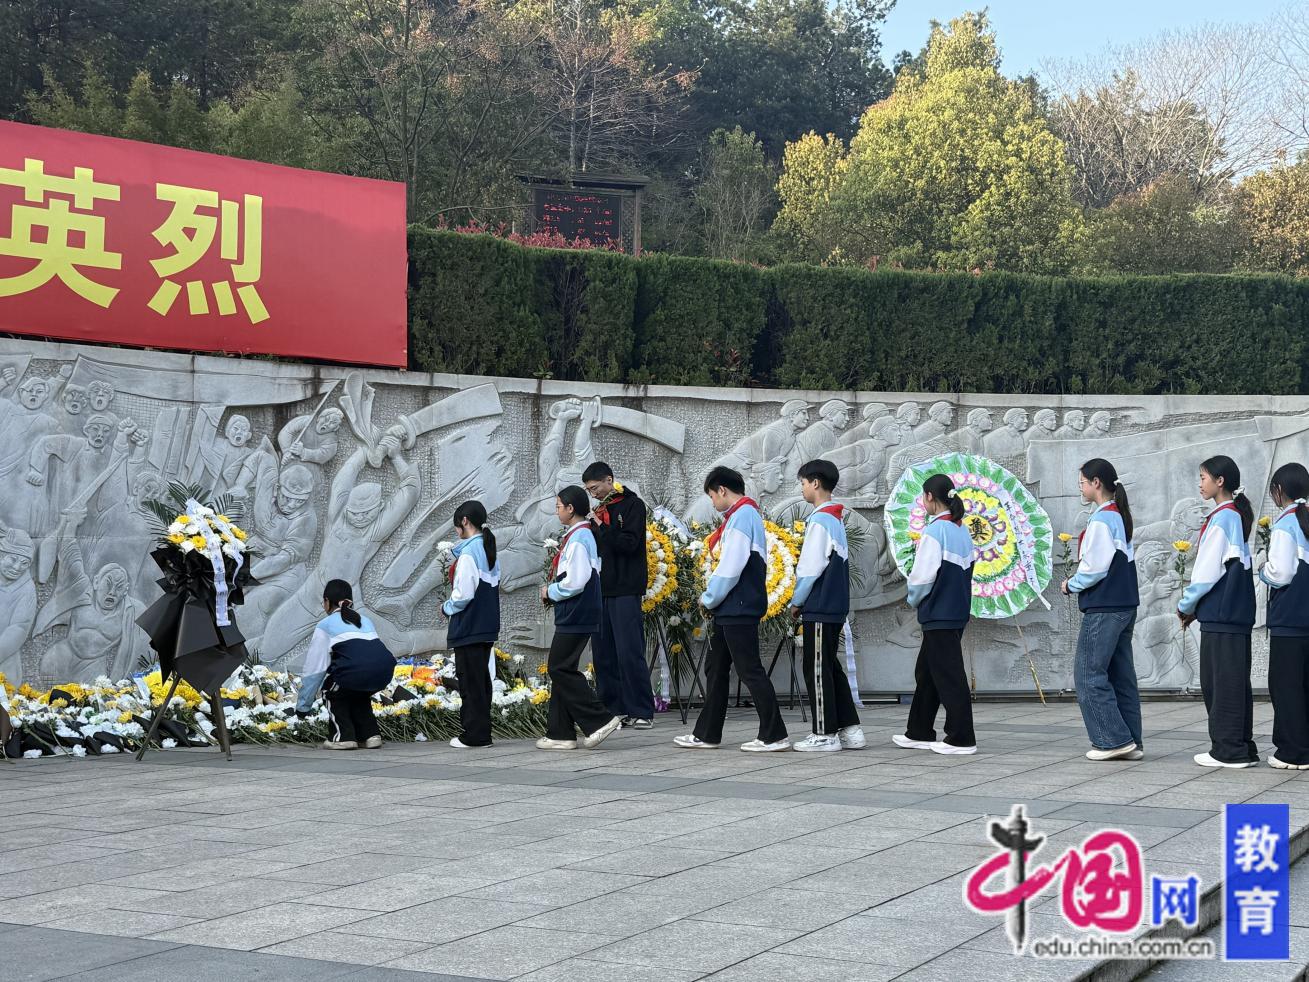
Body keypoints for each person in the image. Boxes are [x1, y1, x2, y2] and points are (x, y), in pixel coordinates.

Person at [675, 466, 790, 752]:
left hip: (738, 605)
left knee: (749, 670)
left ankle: (774, 734)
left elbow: (732, 565)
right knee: (715, 669)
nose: (713, 502)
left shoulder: (742, 516)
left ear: (722, 490)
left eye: (712, 496)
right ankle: (707, 733)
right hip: (730, 607)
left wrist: (709, 597)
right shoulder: (741, 515)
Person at [1060, 459, 1143, 761]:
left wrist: (1070, 584)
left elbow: (1094, 569)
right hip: (1124, 605)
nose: (1080, 488)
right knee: (1121, 676)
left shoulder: (1100, 520)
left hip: (1104, 607)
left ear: (1096, 483)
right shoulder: (1118, 515)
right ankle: (1131, 741)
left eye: (1082, 482)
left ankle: (1112, 740)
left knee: (1088, 673)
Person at [1178, 455, 1258, 768]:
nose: (1200, 484)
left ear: (1220, 481)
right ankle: (1241, 747)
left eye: (1203, 477)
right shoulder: (1233, 515)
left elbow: (1206, 572)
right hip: (1233, 614)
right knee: (1235, 682)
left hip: (1221, 616)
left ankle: (1228, 751)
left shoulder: (1223, 517)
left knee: (1221, 684)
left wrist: (1186, 605)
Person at [895, 474, 977, 755]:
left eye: (923, 496)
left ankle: (961, 738)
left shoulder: (935, 531)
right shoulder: (961, 530)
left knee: (948, 675)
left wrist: (913, 600)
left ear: (930, 496)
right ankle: (919, 731)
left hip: (938, 612)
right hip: (955, 611)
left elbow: (922, 578)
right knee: (928, 672)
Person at [538, 486, 624, 751]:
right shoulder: (579, 534)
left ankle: (600, 720)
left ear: (570, 508)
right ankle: (560, 732)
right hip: (576, 611)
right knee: (563, 668)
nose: (557, 511)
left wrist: (550, 591)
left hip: (577, 611)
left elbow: (576, 581)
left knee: (559, 668)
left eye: (558, 506)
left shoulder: (579, 538)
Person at [788, 459, 863, 752]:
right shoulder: (835, 518)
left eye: (803, 482)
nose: (802, 488)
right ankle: (851, 729)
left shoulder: (820, 520)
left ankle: (825, 734)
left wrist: (797, 601)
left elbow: (810, 567)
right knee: (830, 667)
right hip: (834, 606)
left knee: (817, 670)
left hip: (820, 605)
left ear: (815, 483)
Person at [582, 462, 655, 729]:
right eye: (589, 490)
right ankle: (613, 710)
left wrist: (601, 526)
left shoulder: (632, 505)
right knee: (603, 653)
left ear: (609, 480)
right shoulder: (597, 512)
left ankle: (641, 710)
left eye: (595, 488)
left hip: (625, 587)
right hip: (601, 588)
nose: (594, 494)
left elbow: (629, 543)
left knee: (629, 650)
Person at [302, 579, 397, 751]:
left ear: (327, 601)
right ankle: (370, 735)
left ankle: (343, 737)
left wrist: (303, 706)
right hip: (383, 672)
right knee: (357, 692)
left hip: (357, 673)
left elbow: (315, 669)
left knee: (331, 690)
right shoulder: (364, 620)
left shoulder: (325, 625)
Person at [1259, 463, 1309, 770]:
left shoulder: (1285, 524)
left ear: (1279, 490)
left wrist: (1262, 570)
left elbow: (1281, 573)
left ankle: (1292, 752)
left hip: (1289, 618)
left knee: (1286, 687)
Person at [443, 500, 501, 749]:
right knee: (481, 681)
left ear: (464, 521)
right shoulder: (488, 549)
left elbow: (463, 594)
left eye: (456, 525)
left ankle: (475, 735)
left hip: (469, 626)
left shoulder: (469, 553)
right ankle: (482, 733)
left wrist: (446, 607)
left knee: (470, 682)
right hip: (486, 626)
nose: (456, 530)